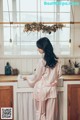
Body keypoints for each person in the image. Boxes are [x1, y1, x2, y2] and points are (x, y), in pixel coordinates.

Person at [23, 37, 62, 120]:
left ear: (44, 48)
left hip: (42, 90)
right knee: (51, 115)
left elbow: (37, 76)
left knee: (41, 113)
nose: (38, 49)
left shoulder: (42, 61)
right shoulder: (57, 61)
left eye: (39, 47)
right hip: (52, 89)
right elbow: (59, 74)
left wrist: (27, 77)